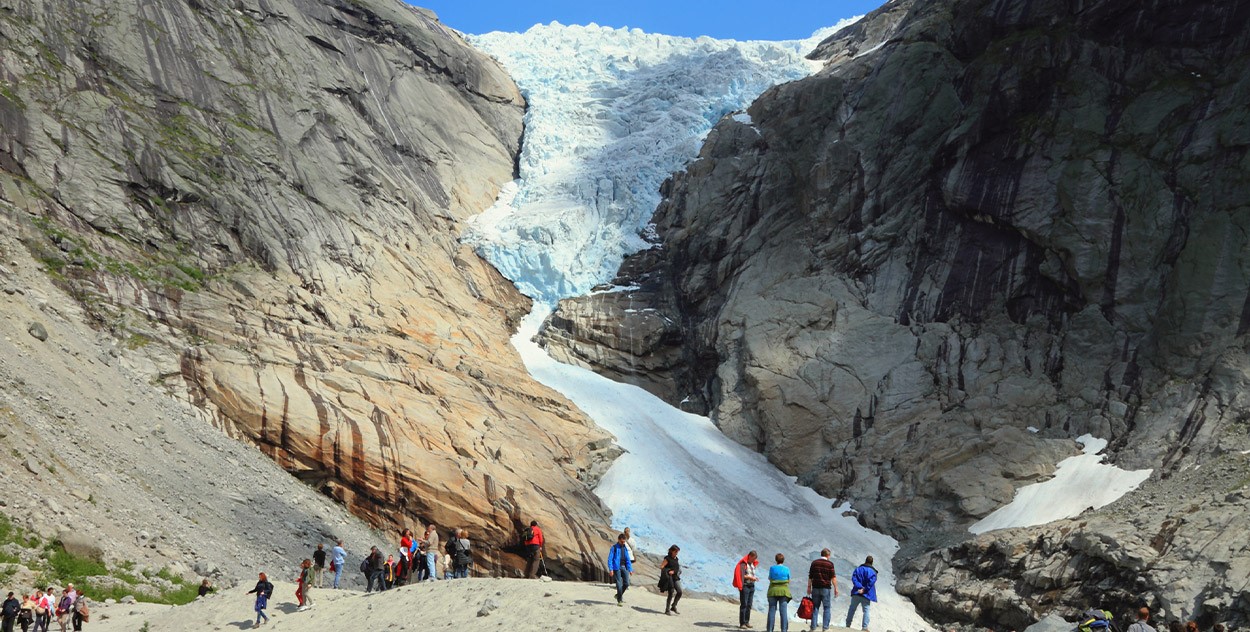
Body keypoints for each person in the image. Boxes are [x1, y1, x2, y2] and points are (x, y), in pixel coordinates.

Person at [807, 548, 840, 631]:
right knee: (827, 608)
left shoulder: (814, 563)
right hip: (826, 588)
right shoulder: (830, 564)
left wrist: (809, 587)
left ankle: (813, 627)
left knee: (815, 607)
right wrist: (836, 588)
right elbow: (833, 577)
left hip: (815, 588)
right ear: (828, 555)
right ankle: (825, 628)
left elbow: (810, 576)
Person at [845, 555, 877, 630]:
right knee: (866, 610)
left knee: (852, 609)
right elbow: (871, 582)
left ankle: (848, 624)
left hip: (857, 592)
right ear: (872, 563)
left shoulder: (858, 569)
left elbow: (854, 579)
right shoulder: (873, 572)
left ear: (865, 561)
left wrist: (860, 587)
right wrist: (864, 589)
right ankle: (864, 627)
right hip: (866, 594)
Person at [733, 551, 760, 629]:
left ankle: (747, 621)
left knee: (749, 604)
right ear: (750, 556)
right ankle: (742, 623)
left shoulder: (752, 564)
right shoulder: (743, 564)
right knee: (744, 604)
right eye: (753, 558)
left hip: (751, 586)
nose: (754, 560)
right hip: (745, 586)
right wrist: (750, 577)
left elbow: (751, 573)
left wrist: (753, 578)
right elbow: (741, 575)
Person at [767, 554, 792, 632]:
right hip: (784, 591)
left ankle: (770, 629)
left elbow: (770, 578)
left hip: (773, 591)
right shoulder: (787, 569)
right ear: (783, 560)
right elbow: (789, 580)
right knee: (783, 611)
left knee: (772, 610)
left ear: (776, 560)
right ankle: (784, 630)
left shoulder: (772, 568)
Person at [607, 533, 632, 606]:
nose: (623, 543)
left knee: (626, 583)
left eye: (624, 542)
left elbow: (628, 559)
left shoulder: (625, 548)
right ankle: (619, 600)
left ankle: (618, 595)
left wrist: (630, 569)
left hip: (624, 567)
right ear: (618, 540)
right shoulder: (614, 548)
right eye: (622, 541)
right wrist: (611, 569)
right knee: (619, 583)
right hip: (616, 568)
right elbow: (610, 559)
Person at [660, 544, 684, 615]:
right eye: (675, 552)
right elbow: (662, 567)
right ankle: (667, 610)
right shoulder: (667, 558)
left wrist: (675, 571)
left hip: (676, 577)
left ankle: (673, 606)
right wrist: (668, 571)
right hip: (669, 578)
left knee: (679, 591)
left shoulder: (676, 559)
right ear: (672, 551)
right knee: (671, 593)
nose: (676, 553)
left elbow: (676, 568)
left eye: (677, 552)